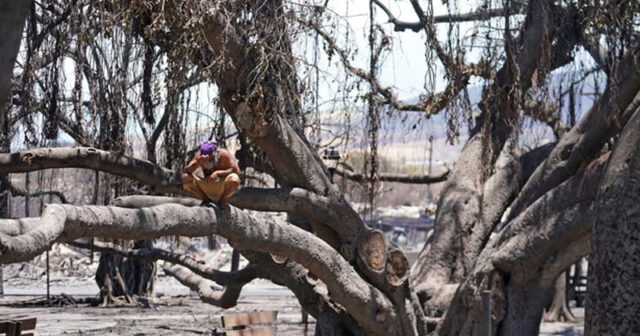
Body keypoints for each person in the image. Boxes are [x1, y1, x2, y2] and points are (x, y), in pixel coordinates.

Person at [182, 140, 241, 209]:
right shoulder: (199, 158)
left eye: (210, 159)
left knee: (234, 178)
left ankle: (223, 199)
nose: (207, 161)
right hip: (208, 185)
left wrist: (217, 173)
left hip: (222, 186)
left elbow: (236, 170)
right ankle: (205, 199)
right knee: (185, 177)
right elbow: (186, 171)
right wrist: (197, 163)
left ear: (215, 153)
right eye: (205, 159)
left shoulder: (224, 155)